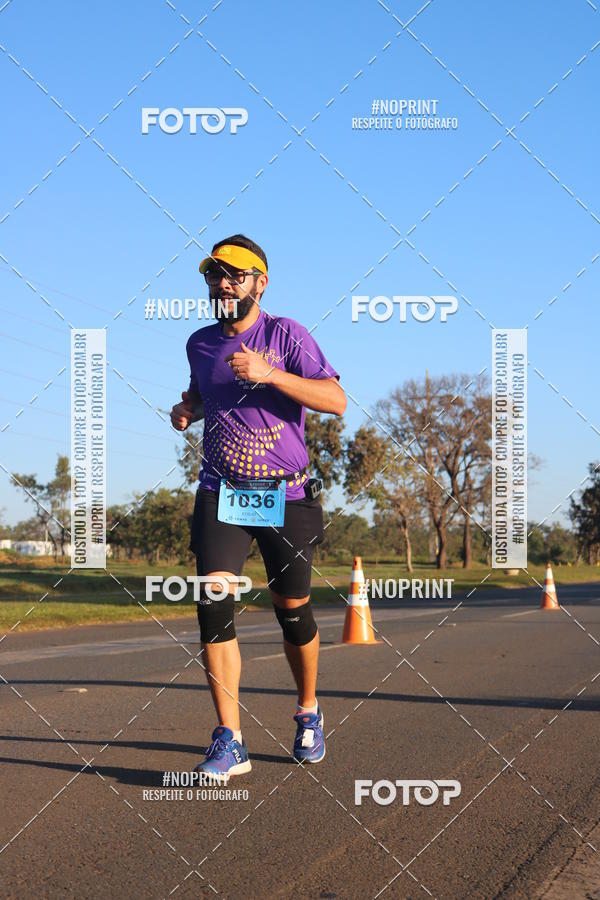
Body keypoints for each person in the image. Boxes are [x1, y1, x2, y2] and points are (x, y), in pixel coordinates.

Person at [170, 233, 346, 777]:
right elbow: (206, 393)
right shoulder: (199, 343)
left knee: (292, 610)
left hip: (286, 493)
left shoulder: (286, 335)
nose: (222, 284)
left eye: (234, 275)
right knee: (213, 601)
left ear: (259, 282)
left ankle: (309, 711)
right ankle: (230, 738)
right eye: (213, 275)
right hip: (221, 491)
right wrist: (188, 410)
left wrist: (271, 373)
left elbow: (336, 400)